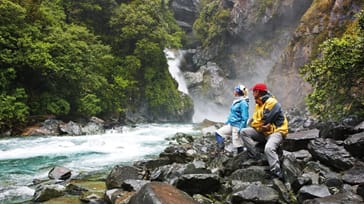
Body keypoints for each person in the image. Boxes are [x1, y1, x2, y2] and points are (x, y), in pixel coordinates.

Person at [240, 83, 288, 179]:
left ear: (258, 91)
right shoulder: (258, 104)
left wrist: (259, 124)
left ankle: (276, 171)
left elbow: (265, 119)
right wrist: (259, 126)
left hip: (276, 132)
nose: (252, 93)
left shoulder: (272, 102)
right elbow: (255, 122)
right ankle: (257, 156)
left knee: (269, 148)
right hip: (263, 132)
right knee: (243, 132)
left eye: (253, 91)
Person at [215, 84, 249, 155]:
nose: (234, 91)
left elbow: (245, 117)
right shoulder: (237, 101)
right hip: (231, 124)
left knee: (238, 145)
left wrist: (241, 129)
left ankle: (241, 161)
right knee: (218, 133)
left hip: (237, 126)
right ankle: (220, 152)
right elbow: (232, 114)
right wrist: (227, 122)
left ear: (238, 91)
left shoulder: (243, 103)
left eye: (235, 90)